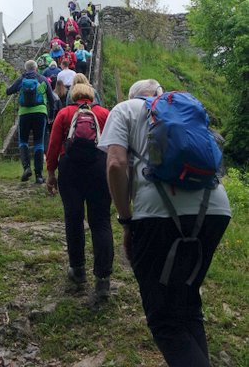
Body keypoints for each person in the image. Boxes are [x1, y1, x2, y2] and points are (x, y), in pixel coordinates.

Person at [98, 79, 231, 367]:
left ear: (133, 96)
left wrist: (125, 219)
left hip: (158, 215)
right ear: (159, 94)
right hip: (216, 208)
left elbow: (115, 164)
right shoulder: (187, 107)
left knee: (164, 320)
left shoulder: (124, 109)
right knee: (188, 304)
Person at [46, 82, 113, 301]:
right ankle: (103, 280)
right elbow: (114, 145)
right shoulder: (104, 114)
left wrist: (51, 173)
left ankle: (78, 269)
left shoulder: (65, 113)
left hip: (70, 169)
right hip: (99, 169)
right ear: (92, 96)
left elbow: (54, 145)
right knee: (101, 222)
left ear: (72, 96)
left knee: (73, 219)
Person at [6, 60, 55, 184]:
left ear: (26, 69)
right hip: (40, 113)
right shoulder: (43, 79)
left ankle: (26, 168)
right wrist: (51, 115)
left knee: (23, 141)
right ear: (36, 68)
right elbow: (51, 99)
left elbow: (9, 91)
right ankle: (39, 175)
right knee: (39, 143)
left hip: (24, 113)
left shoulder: (21, 80)